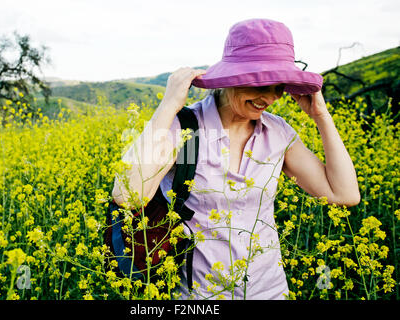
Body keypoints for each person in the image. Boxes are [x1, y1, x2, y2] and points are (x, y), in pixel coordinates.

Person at [112, 18, 360, 300]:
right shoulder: (189, 131)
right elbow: (128, 196)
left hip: (270, 291)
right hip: (200, 297)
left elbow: (345, 194)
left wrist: (321, 117)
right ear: (233, 78)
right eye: (259, 85)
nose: (269, 98)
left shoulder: (277, 133)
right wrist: (169, 105)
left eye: (279, 87)